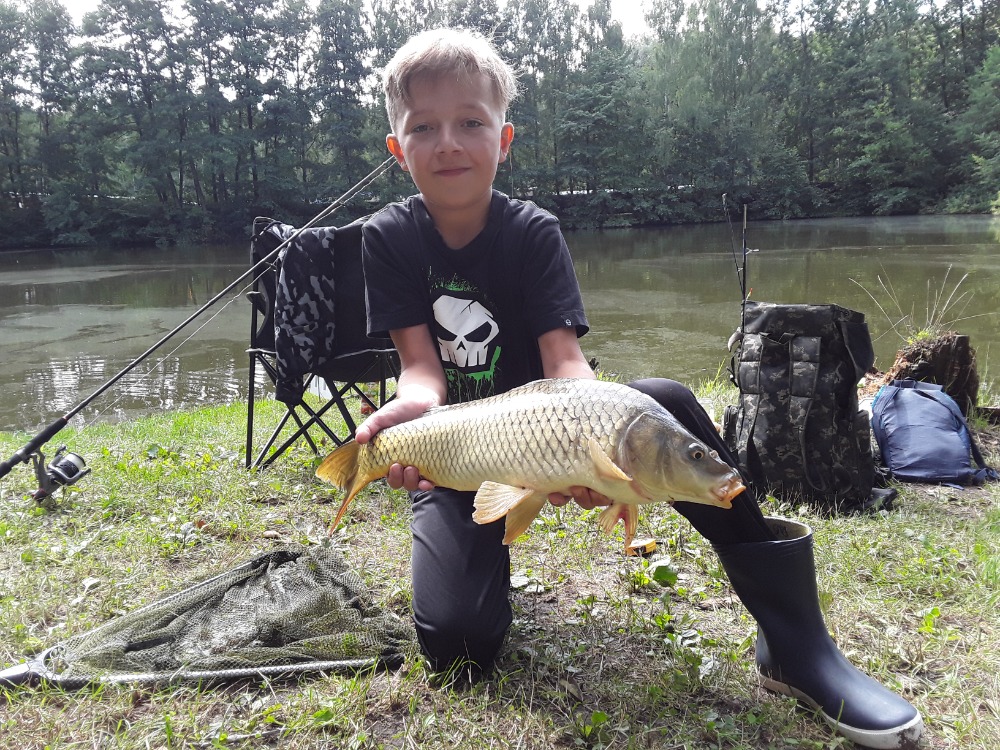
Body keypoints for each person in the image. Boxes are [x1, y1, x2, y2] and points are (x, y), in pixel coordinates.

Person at [354, 27, 922, 749]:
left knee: (666, 403)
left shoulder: (532, 230)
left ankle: (796, 643)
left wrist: (596, 439)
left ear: (505, 138)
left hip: (552, 433)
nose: (449, 143)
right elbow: (422, 371)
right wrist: (412, 424)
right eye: (424, 128)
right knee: (459, 648)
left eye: (471, 122)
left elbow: (565, 364)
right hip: (463, 450)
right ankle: (480, 571)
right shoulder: (387, 236)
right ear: (397, 150)